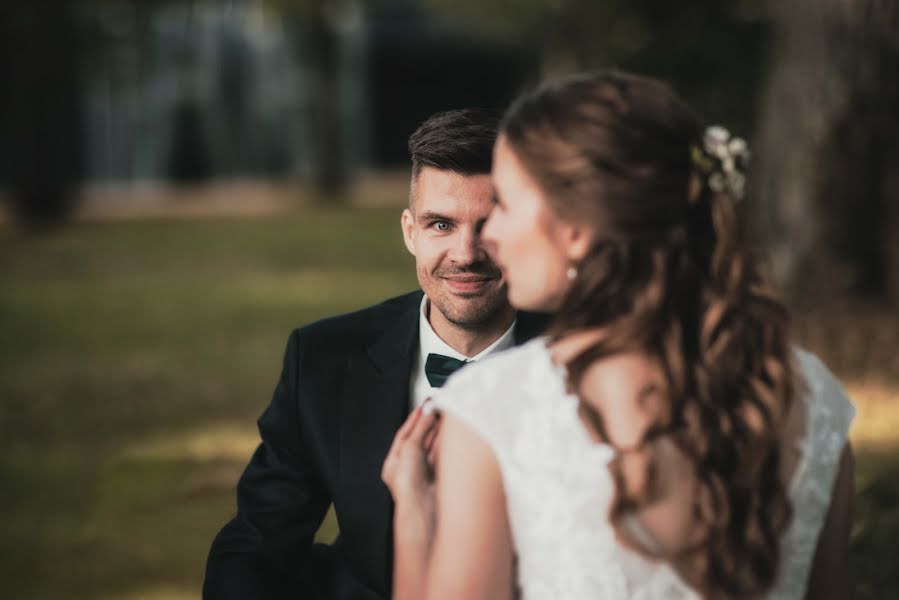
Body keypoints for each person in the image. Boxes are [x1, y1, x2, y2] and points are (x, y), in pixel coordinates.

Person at [382, 72, 855, 599]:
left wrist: (415, 518)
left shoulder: (500, 409)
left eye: (505, 208)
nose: (484, 241)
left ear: (577, 230)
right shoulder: (814, 402)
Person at [203, 108, 547, 600]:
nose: (466, 253)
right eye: (441, 225)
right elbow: (257, 543)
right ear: (410, 232)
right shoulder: (323, 360)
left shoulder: (585, 361)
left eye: (488, 225)